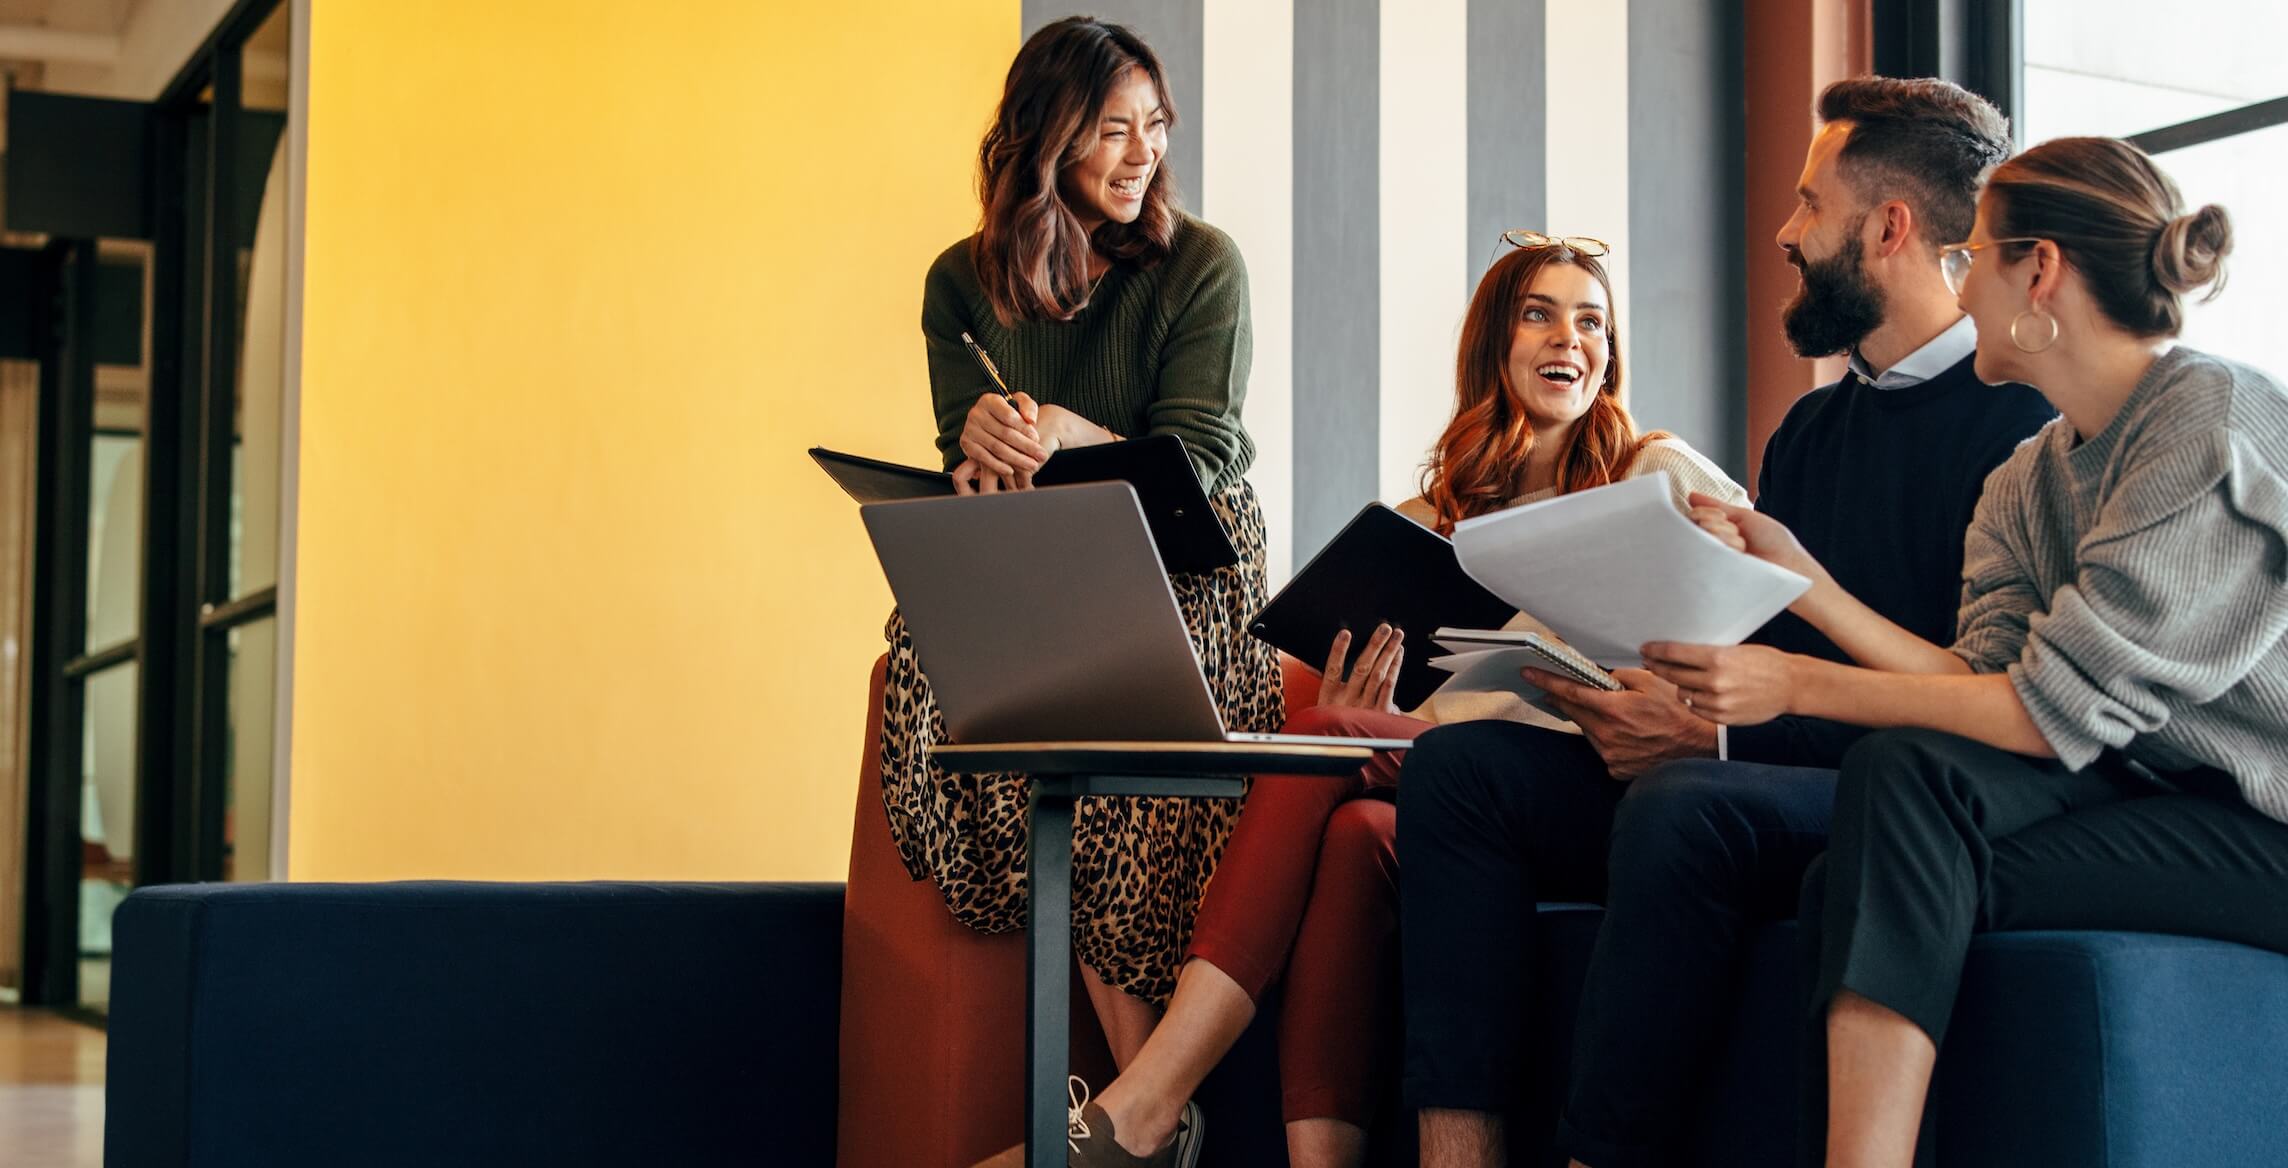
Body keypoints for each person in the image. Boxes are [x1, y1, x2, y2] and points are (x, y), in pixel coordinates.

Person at [1396, 78, 2057, 1168]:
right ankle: (1454, 1155)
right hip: (1762, 755)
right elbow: (1768, 651)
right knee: (1458, 775)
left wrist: (1712, 738)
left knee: (1682, 806)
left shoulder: (2019, 431)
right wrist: (1663, 698)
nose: (1785, 233)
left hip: (1897, 789)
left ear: (1886, 227)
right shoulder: (1806, 430)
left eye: (1808, 204)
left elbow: (1971, 714)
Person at [1654, 134, 2288, 1168]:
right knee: (1867, 839)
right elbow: (1974, 676)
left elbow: (2044, 709)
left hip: (2264, 828)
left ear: (2037, 270)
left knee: (1886, 835)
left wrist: (1790, 683)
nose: (1956, 283)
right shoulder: (2025, 477)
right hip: (2153, 798)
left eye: (1974, 255)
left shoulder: (2205, 421)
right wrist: (1801, 580)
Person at [1059, 236, 1745, 1168]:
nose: (1569, 339)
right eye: (1539, 313)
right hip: (1457, 796)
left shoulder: (1654, 471)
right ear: (1494, 345)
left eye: (1592, 321)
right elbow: (1428, 717)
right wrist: (1369, 704)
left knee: (1324, 735)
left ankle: (1150, 1099)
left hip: (1604, 781)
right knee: (1351, 838)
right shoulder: (1429, 523)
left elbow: (1746, 622)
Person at [878, 19, 1278, 1165]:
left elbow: (1197, 459)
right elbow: (967, 472)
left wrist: (1068, 433)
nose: (1140, 152)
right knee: (940, 647)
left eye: (1154, 127)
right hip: (1039, 553)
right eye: (1112, 129)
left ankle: (1136, 1125)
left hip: (1187, 559)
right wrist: (982, 446)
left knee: (1105, 694)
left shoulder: (1202, 264)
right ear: (1046, 137)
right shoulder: (959, 282)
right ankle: (1150, 1125)